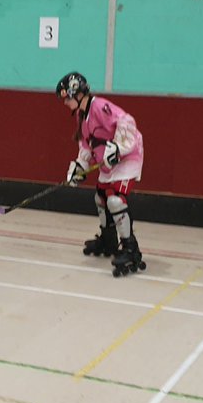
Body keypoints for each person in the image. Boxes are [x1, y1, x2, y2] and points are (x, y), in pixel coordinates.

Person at [56, 71, 147, 277]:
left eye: (67, 98)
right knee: (101, 197)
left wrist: (118, 148)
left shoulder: (99, 107)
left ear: (78, 94)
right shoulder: (81, 115)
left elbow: (127, 121)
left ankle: (131, 249)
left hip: (128, 158)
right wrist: (80, 166)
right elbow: (86, 146)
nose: (65, 102)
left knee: (115, 201)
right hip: (109, 163)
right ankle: (108, 240)